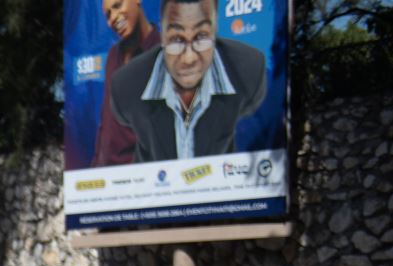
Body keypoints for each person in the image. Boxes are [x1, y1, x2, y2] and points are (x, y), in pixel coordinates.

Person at [108, 0, 268, 164]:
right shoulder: (126, 87)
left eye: (201, 37)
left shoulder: (248, 73)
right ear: (162, 37)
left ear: (215, 31)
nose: (189, 58)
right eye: (177, 40)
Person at [91, 0, 160, 167]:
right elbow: (107, 119)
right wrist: (96, 166)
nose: (113, 18)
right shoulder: (113, 56)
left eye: (118, 5)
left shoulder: (164, 52)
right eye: (108, 14)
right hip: (106, 174)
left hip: (145, 175)